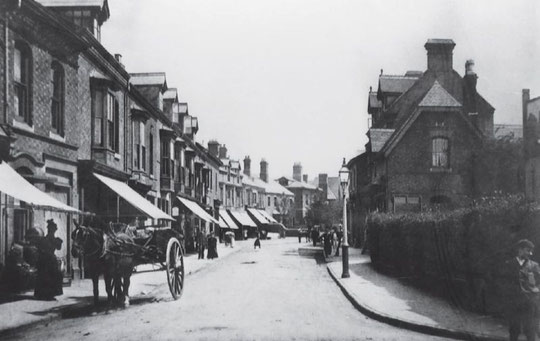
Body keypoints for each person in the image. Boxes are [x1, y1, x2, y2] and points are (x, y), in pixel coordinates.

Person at [502, 239, 540, 341]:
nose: (530, 254)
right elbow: (503, 283)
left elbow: (538, 283)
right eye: (527, 250)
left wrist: (534, 289)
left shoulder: (534, 265)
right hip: (514, 303)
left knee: (530, 330)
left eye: (531, 251)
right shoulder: (509, 264)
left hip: (528, 303)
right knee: (514, 330)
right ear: (520, 249)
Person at [34, 219, 63, 300]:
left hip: (50, 260)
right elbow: (39, 249)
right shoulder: (44, 239)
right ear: (49, 230)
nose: (52, 231)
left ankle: (50, 294)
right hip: (45, 259)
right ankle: (44, 294)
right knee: (45, 275)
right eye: (51, 230)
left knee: (54, 275)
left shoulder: (55, 239)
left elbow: (59, 248)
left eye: (53, 230)